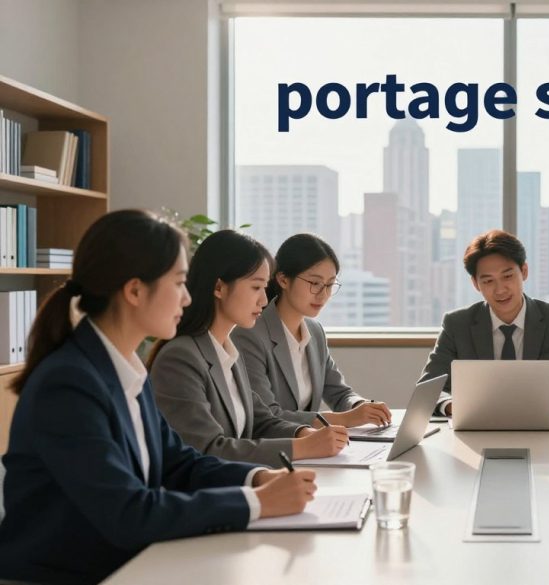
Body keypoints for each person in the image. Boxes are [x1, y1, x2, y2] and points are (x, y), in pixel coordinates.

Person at [0, 211, 316, 584]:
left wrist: (258, 478)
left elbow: (178, 463)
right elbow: (128, 513)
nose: (186, 297)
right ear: (134, 291)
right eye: (179, 283)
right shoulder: (68, 384)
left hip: (125, 565)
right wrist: (258, 503)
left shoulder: (124, 368)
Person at [149, 230, 349, 466]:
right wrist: (302, 446)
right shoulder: (181, 357)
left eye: (265, 288)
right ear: (219, 288)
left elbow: (262, 420)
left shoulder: (227, 351)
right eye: (256, 288)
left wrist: (305, 434)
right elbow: (207, 448)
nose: (264, 301)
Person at [419, 229, 549, 417]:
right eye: (488, 281)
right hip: (475, 427)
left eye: (507, 276)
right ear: (475, 283)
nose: (500, 290)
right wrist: (451, 406)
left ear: (524, 271)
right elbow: (429, 388)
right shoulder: (457, 324)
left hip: (543, 426)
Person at [233, 233, 391, 428]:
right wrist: (346, 419)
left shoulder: (315, 332)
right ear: (283, 279)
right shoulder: (250, 334)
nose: (323, 294)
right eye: (315, 283)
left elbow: (339, 393)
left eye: (330, 285)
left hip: (312, 446)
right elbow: (268, 415)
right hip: (278, 449)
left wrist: (362, 407)